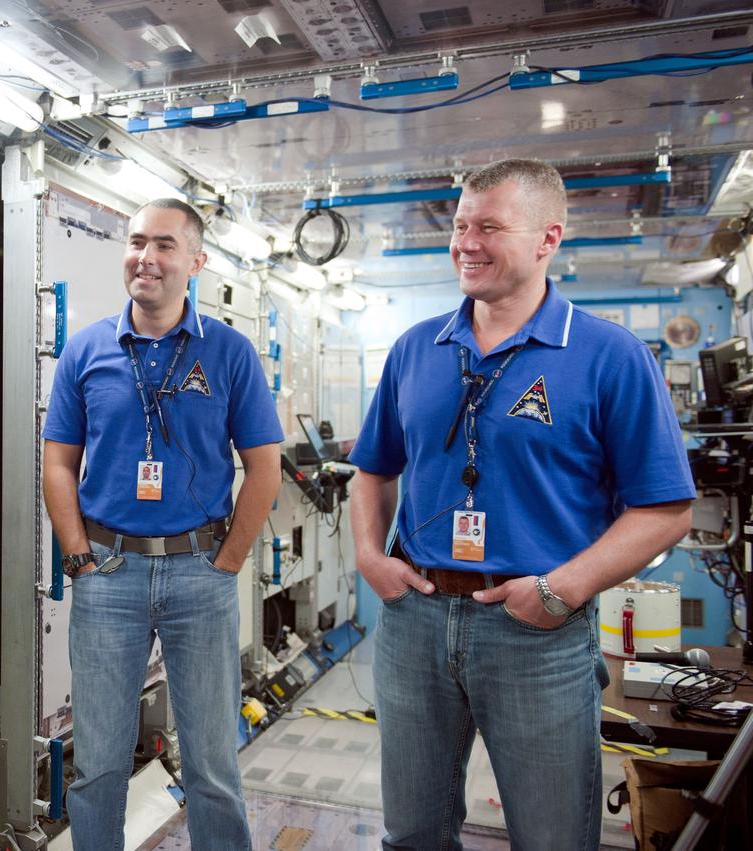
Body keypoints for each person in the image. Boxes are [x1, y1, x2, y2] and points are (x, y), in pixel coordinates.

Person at [349, 158, 694, 850]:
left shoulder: (610, 355)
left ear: (547, 239)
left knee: (552, 836)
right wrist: (368, 554)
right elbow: (372, 469)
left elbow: (665, 510)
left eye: (490, 227)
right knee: (411, 832)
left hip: (537, 630)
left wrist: (559, 589)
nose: (466, 243)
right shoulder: (417, 349)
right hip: (415, 622)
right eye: (459, 225)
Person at [42, 199, 283, 851]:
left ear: (196, 261)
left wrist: (228, 561)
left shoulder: (228, 352)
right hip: (108, 572)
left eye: (165, 245)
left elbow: (264, 468)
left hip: (199, 574)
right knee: (97, 763)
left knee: (211, 761)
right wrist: (77, 556)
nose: (146, 256)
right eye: (136, 241)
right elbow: (58, 463)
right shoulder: (86, 350)